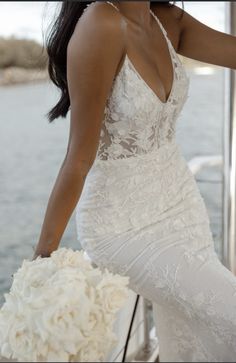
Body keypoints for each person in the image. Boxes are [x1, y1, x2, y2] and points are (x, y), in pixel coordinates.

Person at [33, 1, 236, 361]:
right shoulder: (101, 22)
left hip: (184, 210)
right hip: (122, 225)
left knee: (189, 337)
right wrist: (40, 262)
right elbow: (79, 159)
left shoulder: (168, 19)